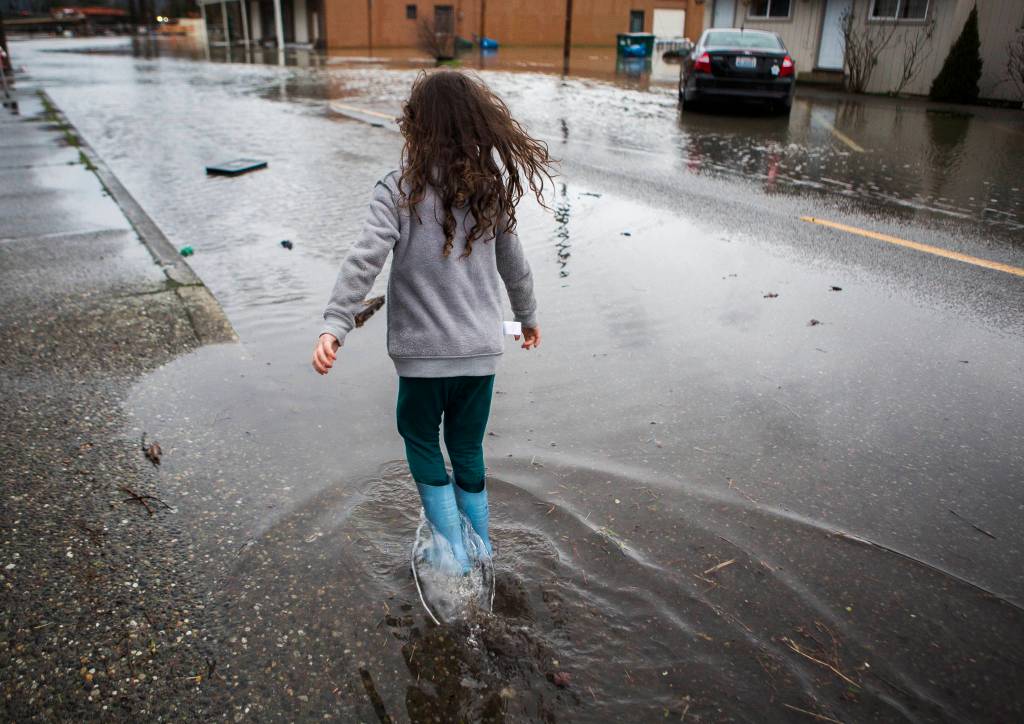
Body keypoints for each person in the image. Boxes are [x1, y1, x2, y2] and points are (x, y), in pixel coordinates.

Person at [311, 70, 553, 572]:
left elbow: (364, 260)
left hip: (423, 359)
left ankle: (452, 555)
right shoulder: (491, 193)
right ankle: (482, 548)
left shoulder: (398, 189)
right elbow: (517, 266)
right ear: (477, 127)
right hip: (480, 357)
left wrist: (336, 324)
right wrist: (528, 316)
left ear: (415, 127)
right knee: (467, 447)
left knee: (420, 438)